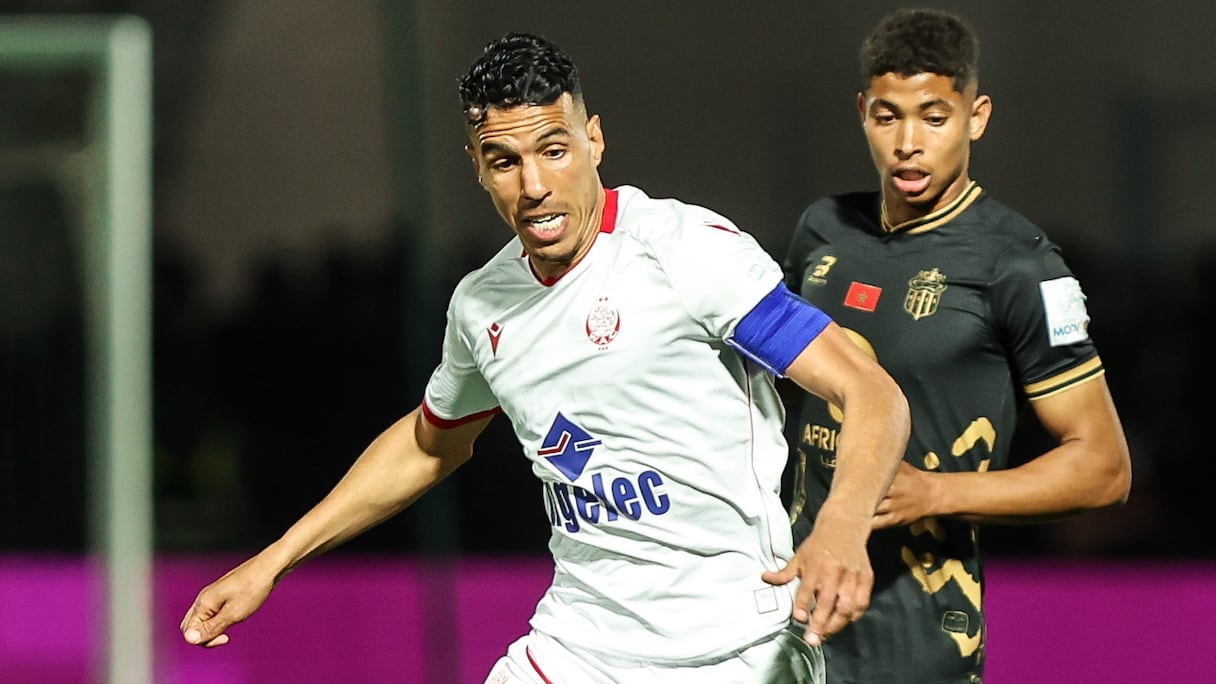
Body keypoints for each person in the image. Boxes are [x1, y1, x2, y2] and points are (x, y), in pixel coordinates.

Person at [180, 32, 911, 683]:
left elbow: (870, 392)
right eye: (505, 161)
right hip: (577, 648)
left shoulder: (685, 252)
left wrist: (842, 526)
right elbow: (430, 443)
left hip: (735, 649)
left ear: (594, 140)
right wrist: (273, 560)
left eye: (553, 150)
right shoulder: (482, 305)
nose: (533, 186)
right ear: (476, 165)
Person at [782, 8, 1133, 683]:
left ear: (977, 117)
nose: (908, 143)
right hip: (787, 624)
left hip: (921, 644)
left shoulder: (1021, 266)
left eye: (934, 117)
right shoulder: (821, 231)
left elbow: (1104, 468)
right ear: (862, 113)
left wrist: (934, 493)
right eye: (887, 117)